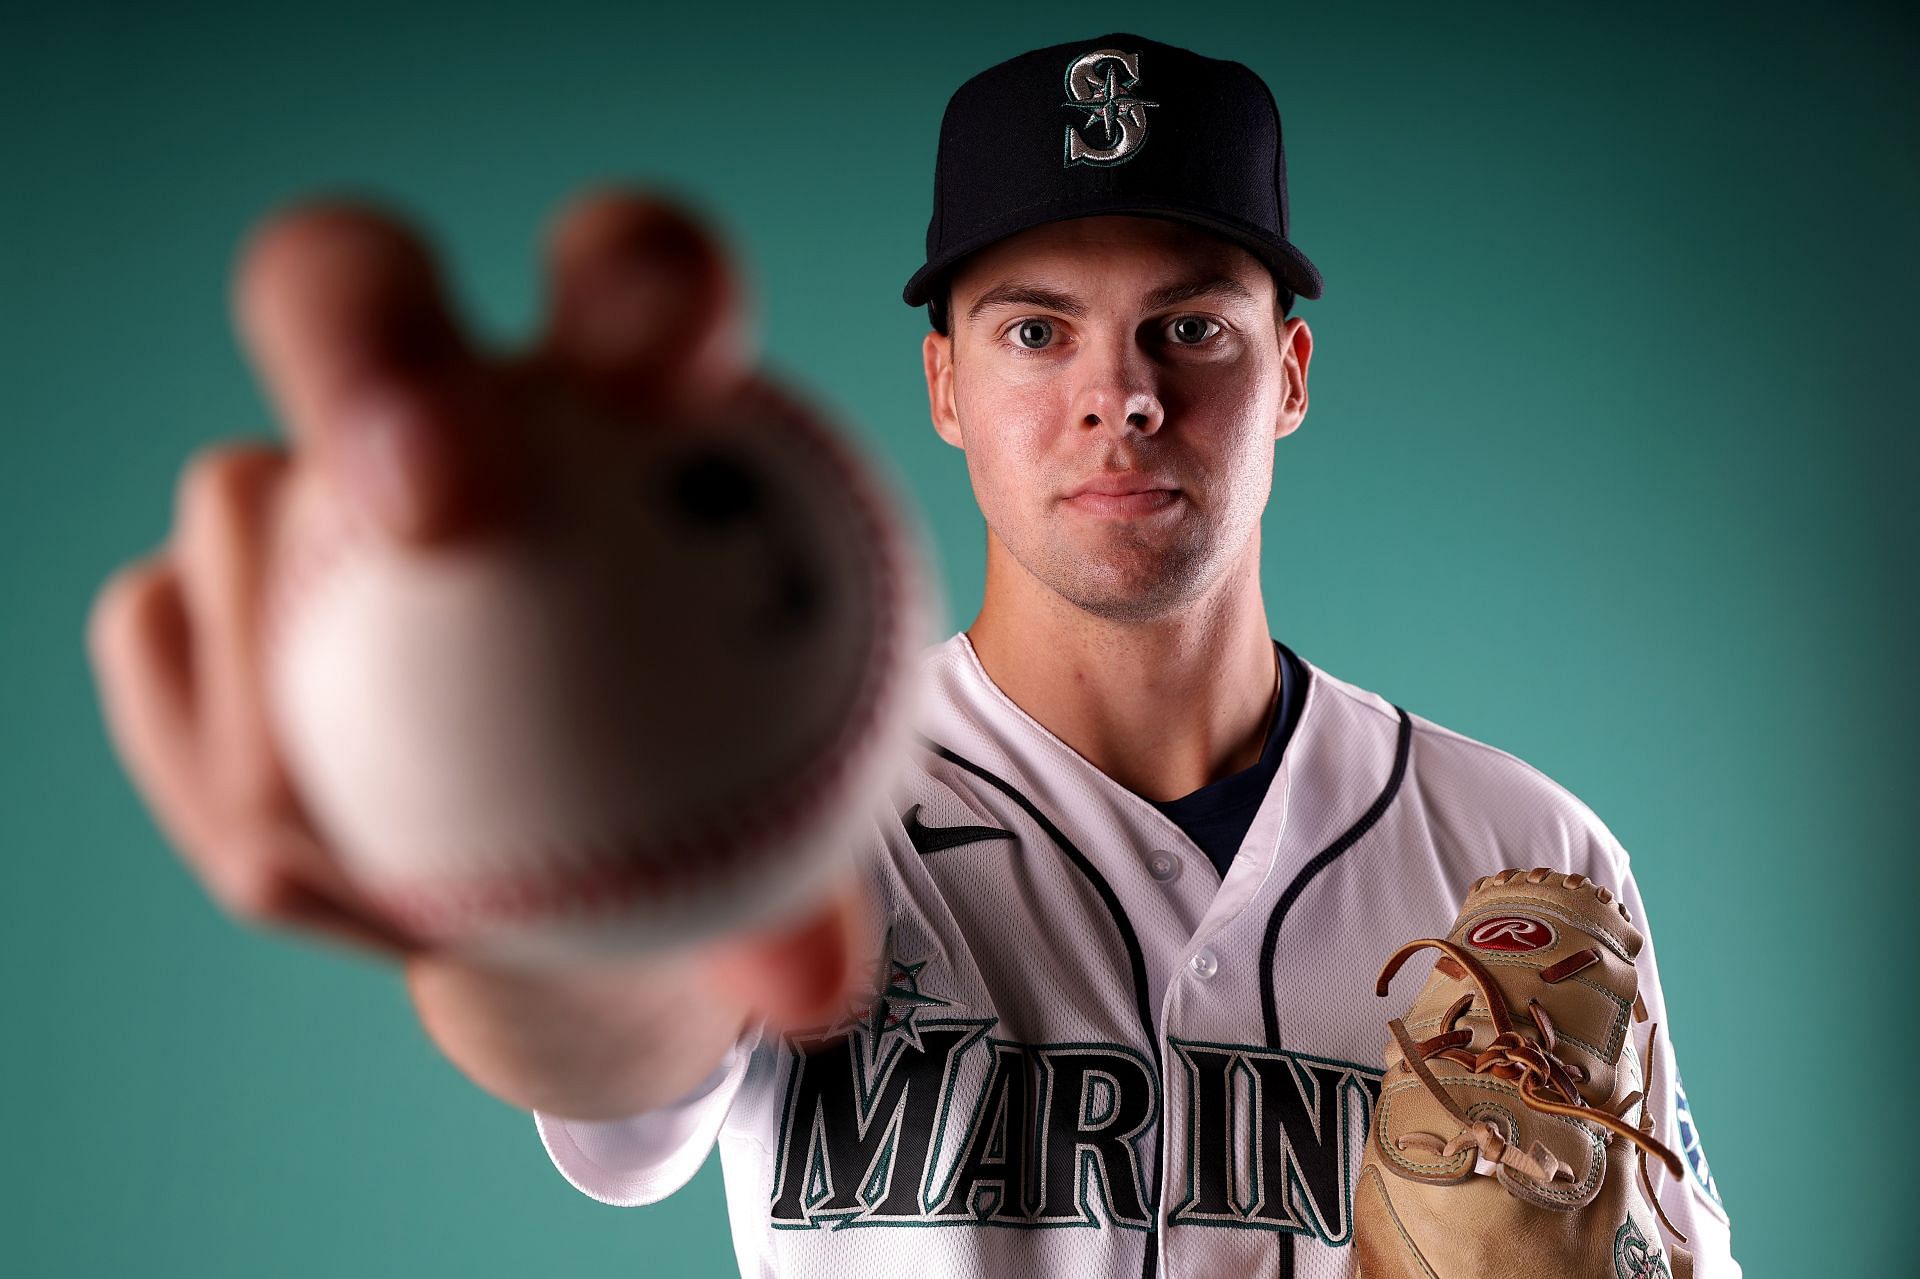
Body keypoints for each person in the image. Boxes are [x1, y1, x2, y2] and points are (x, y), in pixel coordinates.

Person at [86, 30, 1736, 1279]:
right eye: (1035, 329)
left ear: (1289, 375)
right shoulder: (771, 796)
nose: (1124, 394)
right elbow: (615, 1049)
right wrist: (503, 848)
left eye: (1193, 326)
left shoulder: (1525, 854)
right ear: (944, 388)